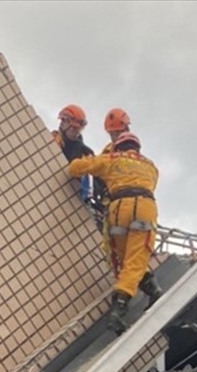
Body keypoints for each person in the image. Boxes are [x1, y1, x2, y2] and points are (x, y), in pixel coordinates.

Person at [68, 131, 164, 333]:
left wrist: (75, 165)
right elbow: (150, 185)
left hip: (118, 209)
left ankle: (153, 292)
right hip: (145, 208)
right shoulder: (152, 167)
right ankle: (119, 310)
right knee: (135, 259)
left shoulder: (112, 158)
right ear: (137, 148)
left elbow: (77, 168)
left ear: (118, 146)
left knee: (121, 258)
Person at [51, 104, 104, 213]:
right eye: (71, 127)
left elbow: (98, 181)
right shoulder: (54, 139)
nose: (74, 131)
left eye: (76, 128)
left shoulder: (86, 153)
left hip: (76, 199)